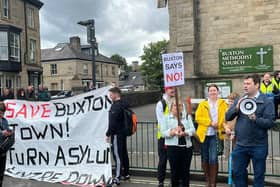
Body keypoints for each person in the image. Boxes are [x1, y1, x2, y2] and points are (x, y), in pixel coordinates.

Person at [226, 74, 275, 187]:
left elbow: (270, 122)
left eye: (248, 83)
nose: (245, 86)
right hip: (241, 144)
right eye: (244, 83)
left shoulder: (266, 101)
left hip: (259, 145)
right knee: (237, 172)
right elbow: (227, 117)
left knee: (258, 176)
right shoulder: (240, 99)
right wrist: (236, 108)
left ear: (257, 85)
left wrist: (256, 119)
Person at [195, 84, 227, 187]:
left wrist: (220, 124)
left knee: (213, 158)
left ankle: (213, 182)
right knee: (205, 157)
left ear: (218, 92)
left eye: (214, 90)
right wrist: (210, 123)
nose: (213, 92)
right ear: (208, 93)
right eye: (211, 91)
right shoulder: (203, 104)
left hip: (215, 134)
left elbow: (226, 117)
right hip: (204, 134)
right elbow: (197, 118)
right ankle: (207, 180)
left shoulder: (223, 103)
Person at [161, 98, 195, 187]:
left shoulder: (187, 116)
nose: (177, 107)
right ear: (171, 107)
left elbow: (193, 130)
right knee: (175, 172)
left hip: (186, 147)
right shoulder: (166, 118)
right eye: (175, 105)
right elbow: (163, 132)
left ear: (182, 107)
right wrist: (173, 132)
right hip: (173, 148)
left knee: (185, 171)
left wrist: (185, 133)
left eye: (179, 105)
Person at [106, 87, 130, 186]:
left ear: (116, 94)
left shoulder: (116, 106)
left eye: (111, 94)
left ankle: (117, 178)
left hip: (117, 134)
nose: (110, 96)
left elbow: (112, 123)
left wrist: (108, 134)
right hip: (123, 132)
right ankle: (126, 173)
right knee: (123, 153)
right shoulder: (124, 104)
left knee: (117, 155)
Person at [155, 86, 175, 187]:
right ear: (166, 90)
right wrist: (169, 131)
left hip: (174, 136)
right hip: (163, 137)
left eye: (174, 88)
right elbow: (161, 121)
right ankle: (161, 181)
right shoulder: (161, 104)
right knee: (163, 160)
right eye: (170, 88)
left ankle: (174, 180)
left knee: (173, 160)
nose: (173, 90)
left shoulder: (175, 102)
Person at [0, 102, 14, 187]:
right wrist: (2, 133)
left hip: (3, 149)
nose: (2, 114)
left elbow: (7, 129)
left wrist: (10, 132)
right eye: (0, 112)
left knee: (1, 171)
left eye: (3, 112)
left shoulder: (5, 121)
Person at [223, 92, 239, 159]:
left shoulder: (239, 111)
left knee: (237, 155)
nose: (230, 103)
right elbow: (224, 122)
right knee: (228, 155)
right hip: (228, 135)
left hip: (237, 135)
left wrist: (235, 131)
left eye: (232, 101)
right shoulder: (227, 110)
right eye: (229, 101)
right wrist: (226, 128)